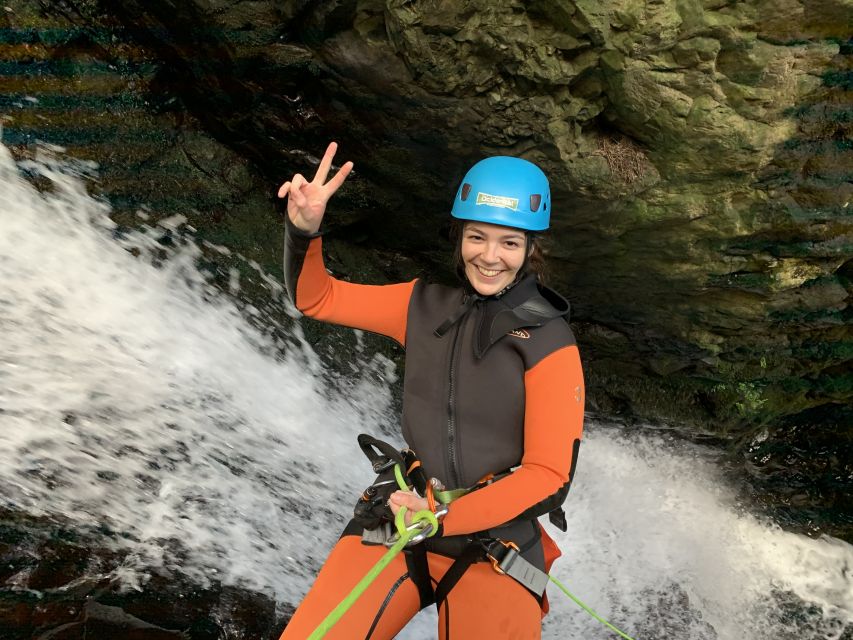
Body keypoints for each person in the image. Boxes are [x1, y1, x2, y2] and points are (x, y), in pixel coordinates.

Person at [278, 142, 584, 639]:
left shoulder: (550, 341)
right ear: (458, 238)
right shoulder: (421, 305)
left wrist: (442, 517)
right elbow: (317, 297)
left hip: (494, 544)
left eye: (509, 243)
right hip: (402, 515)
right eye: (477, 237)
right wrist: (304, 230)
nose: (489, 256)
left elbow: (548, 475)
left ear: (531, 249)